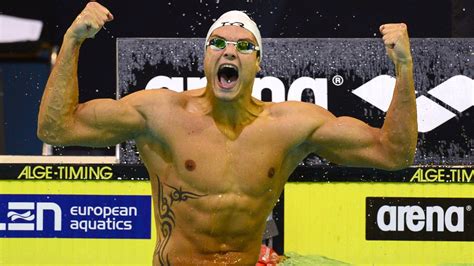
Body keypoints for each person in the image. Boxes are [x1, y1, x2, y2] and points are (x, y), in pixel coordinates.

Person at [37, 2, 417, 265]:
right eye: (217, 43)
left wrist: (404, 67)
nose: (228, 51)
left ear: (258, 61)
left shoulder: (291, 126)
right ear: (205, 57)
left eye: (243, 46)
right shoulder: (160, 114)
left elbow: (393, 154)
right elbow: (56, 128)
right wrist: (73, 40)